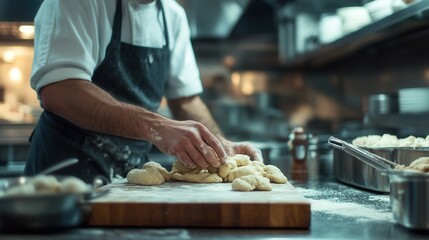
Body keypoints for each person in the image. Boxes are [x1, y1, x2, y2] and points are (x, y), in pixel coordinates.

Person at [24, 0, 262, 183]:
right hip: (65, 177)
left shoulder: (172, 16)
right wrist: (156, 127)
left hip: (129, 180)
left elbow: (185, 98)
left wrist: (218, 143)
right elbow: (60, 90)